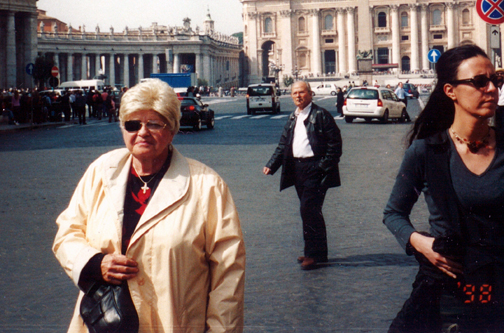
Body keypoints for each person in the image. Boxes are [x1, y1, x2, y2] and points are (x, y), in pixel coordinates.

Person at [53, 79, 245, 332]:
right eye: (133, 124)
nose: (142, 132)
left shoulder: (208, 185)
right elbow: (67, 233)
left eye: (154, 124)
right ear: (123, 129)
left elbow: (228, 274)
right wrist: (94, 263)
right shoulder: (101, 170)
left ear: (173, 129)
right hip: (105, 321)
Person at [383, 44, 504, 332]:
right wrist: (420, 243)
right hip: (450, 289)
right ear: (450, 91)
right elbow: (393, 213)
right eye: (479, 82)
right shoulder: (426, 151)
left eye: (495, 80)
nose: (491, 89)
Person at [263, 81, 342, 270]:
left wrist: (322, 166)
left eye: (302, 92)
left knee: (308, 210)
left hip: (315, 169)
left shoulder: (321, 114)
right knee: (310, 211)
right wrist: (271, 165)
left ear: (310, 94)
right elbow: (284, 144)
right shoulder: (293, 117)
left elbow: (335, 144)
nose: (298, 96)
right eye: (294, 93)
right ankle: (317, 253)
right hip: (297, 169)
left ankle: (312, 255)